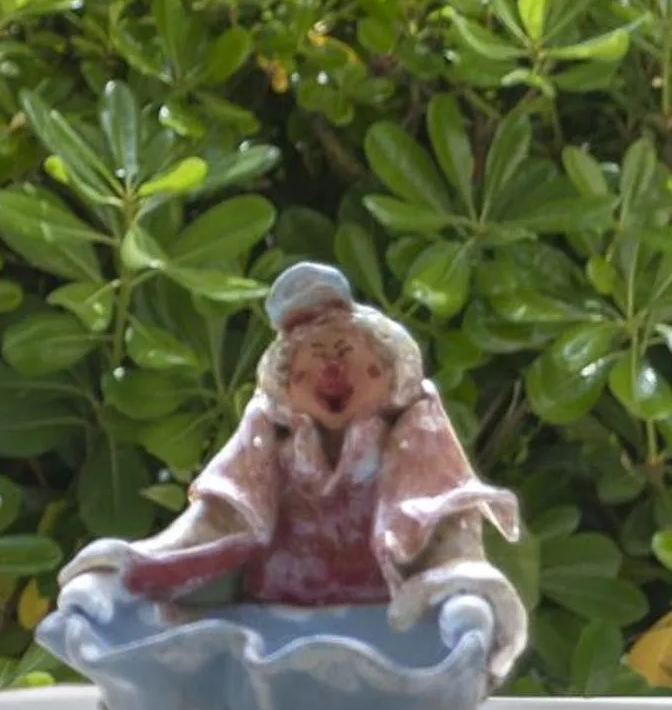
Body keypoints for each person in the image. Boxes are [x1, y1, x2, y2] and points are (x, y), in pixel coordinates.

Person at [57, 262, 526, 681]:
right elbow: (217, 520)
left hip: (383, 626)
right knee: (152, 608)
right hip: (271, 619)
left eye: (345, 350)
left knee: (457, 625)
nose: (332, 367)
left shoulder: (413, 445)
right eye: (314, 355)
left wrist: (461, 590)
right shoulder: (269, 444)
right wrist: (134, 571)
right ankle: (113, 614)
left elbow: (445, 523)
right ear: (288, 383)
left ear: (386, 372)